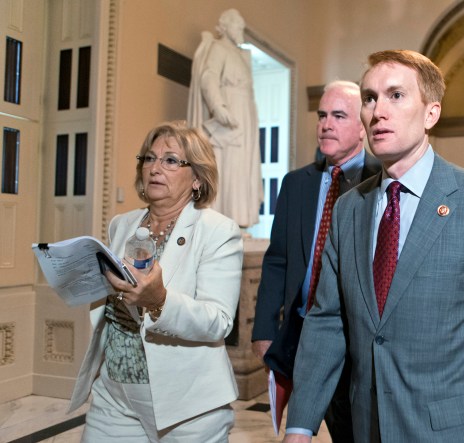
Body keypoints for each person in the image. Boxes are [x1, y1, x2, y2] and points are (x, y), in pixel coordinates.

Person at [283, 50, 464, 442]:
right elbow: (327, 322)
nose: (378, 111)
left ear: (431, 113)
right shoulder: (348, 210)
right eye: (370, 98)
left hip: (449, 431)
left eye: (396, 95)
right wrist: (300, 425)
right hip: (365, 426)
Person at [69, 121, 243, 441]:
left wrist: (159, 300)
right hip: (114, 396)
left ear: (197, 179)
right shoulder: (122, 224)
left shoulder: (218, 231)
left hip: (188, 406)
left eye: (171, 160)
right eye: (149, 158)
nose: (155, 168)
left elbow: (218, 321)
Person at [252, 81, 380, 441]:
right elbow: (277, 259)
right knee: (302, 425)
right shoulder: (296, 183)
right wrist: (264, 328)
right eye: (322, 115)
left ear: (362, 126)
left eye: (339, 116)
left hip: (354, 340)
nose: (326, 124)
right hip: (300, 333)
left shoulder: (381, 182)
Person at [188, 8, 263, 227]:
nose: (241, 30)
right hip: (230, 113)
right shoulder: (219, 48)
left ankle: (239, 221)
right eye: (238, 26)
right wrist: (218, 105)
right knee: (229, 165)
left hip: (245, 114)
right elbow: (208, 76)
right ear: (227, 26)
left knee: (244, 167)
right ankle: (224, 221)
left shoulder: (241, 55)